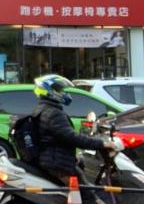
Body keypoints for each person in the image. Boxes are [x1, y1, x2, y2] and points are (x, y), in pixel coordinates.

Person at [32, 74, 118, 204]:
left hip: (51, 159)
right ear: (49, 91)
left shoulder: (43, 110)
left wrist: (73, 155)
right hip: (58, 164)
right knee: (88, 196)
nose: (63, 93)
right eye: (59, 90)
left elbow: (54, 139)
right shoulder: (53, 113)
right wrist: (102, 144)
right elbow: (72, 137)